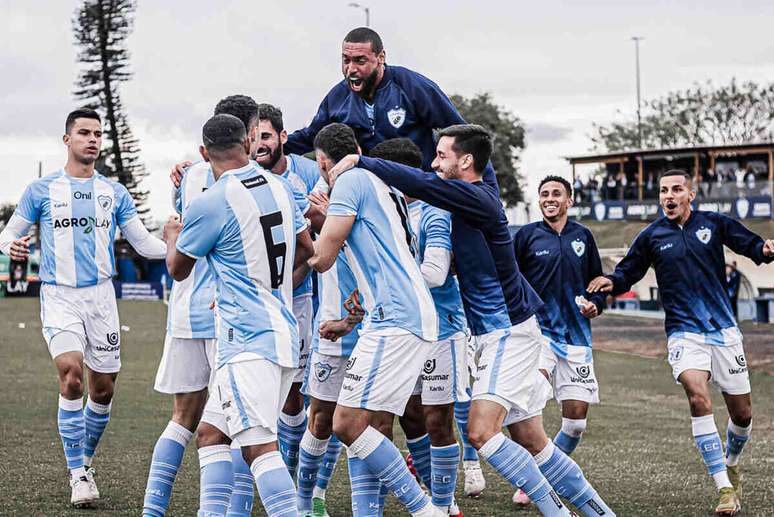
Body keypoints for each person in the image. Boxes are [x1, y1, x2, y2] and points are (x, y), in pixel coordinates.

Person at [328, 124, 615, 517]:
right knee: (533, 439)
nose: (434, 163)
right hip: (499, 332)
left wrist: (362, 160)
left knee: (480, 431)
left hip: (507, 333)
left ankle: (558, 513)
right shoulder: (462, 200)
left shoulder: (477, 197)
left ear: (466, 161)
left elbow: (425, 184)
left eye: (442, 155)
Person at [0, 108, 167, 507]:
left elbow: (144, 244)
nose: (92, 139)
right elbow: (9, 234)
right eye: (84, 133)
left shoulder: (114, 192)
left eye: (98, 134)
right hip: (59, 296)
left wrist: (186, 249)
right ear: (67, 140)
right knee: (71, 374)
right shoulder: (41, 190)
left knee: (103, 389)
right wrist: (11, 245)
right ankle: (78, 474)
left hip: (102, 299)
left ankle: (84, 460)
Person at [587, 169, 774, 516]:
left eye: (676, 190)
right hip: (684, 332)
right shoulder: (652, 236)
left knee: (743, 415)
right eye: (663, 191)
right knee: (697, 394)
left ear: (691, 194)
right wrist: (611, 282)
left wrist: (764, 248)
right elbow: (629, 271)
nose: (668, 196)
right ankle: (724, 487)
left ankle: (731, 461)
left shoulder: (714, 223)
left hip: (724, 332)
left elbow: (748, 244)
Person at [165, 113, 314, 517]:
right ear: (248, 142)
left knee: (259, 447)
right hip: (284, 330)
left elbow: (179, 270)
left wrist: (171, 237)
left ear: (203, 153)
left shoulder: (211, 201)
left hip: (246, 340)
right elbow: (307, 251)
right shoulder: (282, 187)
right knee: (211, 435)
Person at [308, 123, 445, 517]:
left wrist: (301, 229)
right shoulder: (377, 182)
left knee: (347, 423)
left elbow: (322, 258)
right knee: (367, 425)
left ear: (322, 161)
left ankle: (426, 509)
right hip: (399, 317)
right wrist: (351, 319)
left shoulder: (350, 181)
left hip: (396, 320)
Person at [372, 138, 468, 516]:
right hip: (407, 331)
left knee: (436, 418)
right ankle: (430, 491)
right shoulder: (390, 211)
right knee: (410, 414)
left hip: (442, 330)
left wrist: (388, 278)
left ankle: (446, 504)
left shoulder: (434, 211)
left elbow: (436, 272)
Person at [509, 175, 606, 506]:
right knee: (528, 403)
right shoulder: (526, 236)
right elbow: (510, 279)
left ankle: (546, 475)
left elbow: (597, 281)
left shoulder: (583, 236)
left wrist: (597, 304)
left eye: (556, 194)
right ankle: (532, 482)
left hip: (577, 336)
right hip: (538, 336)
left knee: (576, 422)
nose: (549, 198)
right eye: (544, 194)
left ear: (570, 200)